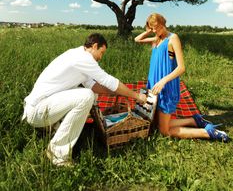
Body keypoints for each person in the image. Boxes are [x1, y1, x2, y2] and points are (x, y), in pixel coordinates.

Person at [22, 33, 147, 166]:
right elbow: (108, 81)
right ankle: (57, 154)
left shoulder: (77, 55)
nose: (101, 57)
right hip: (37, 112)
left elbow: (93, 85)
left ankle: (54, 127)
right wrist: (137, 96)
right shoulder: (84, 58)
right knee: (87, 96)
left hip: (42, 108)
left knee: (90, 93)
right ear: (94, 46)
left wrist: (116, 93)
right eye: (101, 52)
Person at [135, 13, 229, 142]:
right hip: (155, 86)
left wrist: (163, 81)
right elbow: (137, 39)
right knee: (156, 124)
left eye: (157, 27)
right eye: (153, 28)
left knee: (164, 131)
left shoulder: (172, 39)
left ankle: (208, 132)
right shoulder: (156, 39)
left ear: (163, 23)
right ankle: (195, 120)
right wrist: (148, 31)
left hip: (166, 86)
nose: (155, 30)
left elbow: (181, 68)